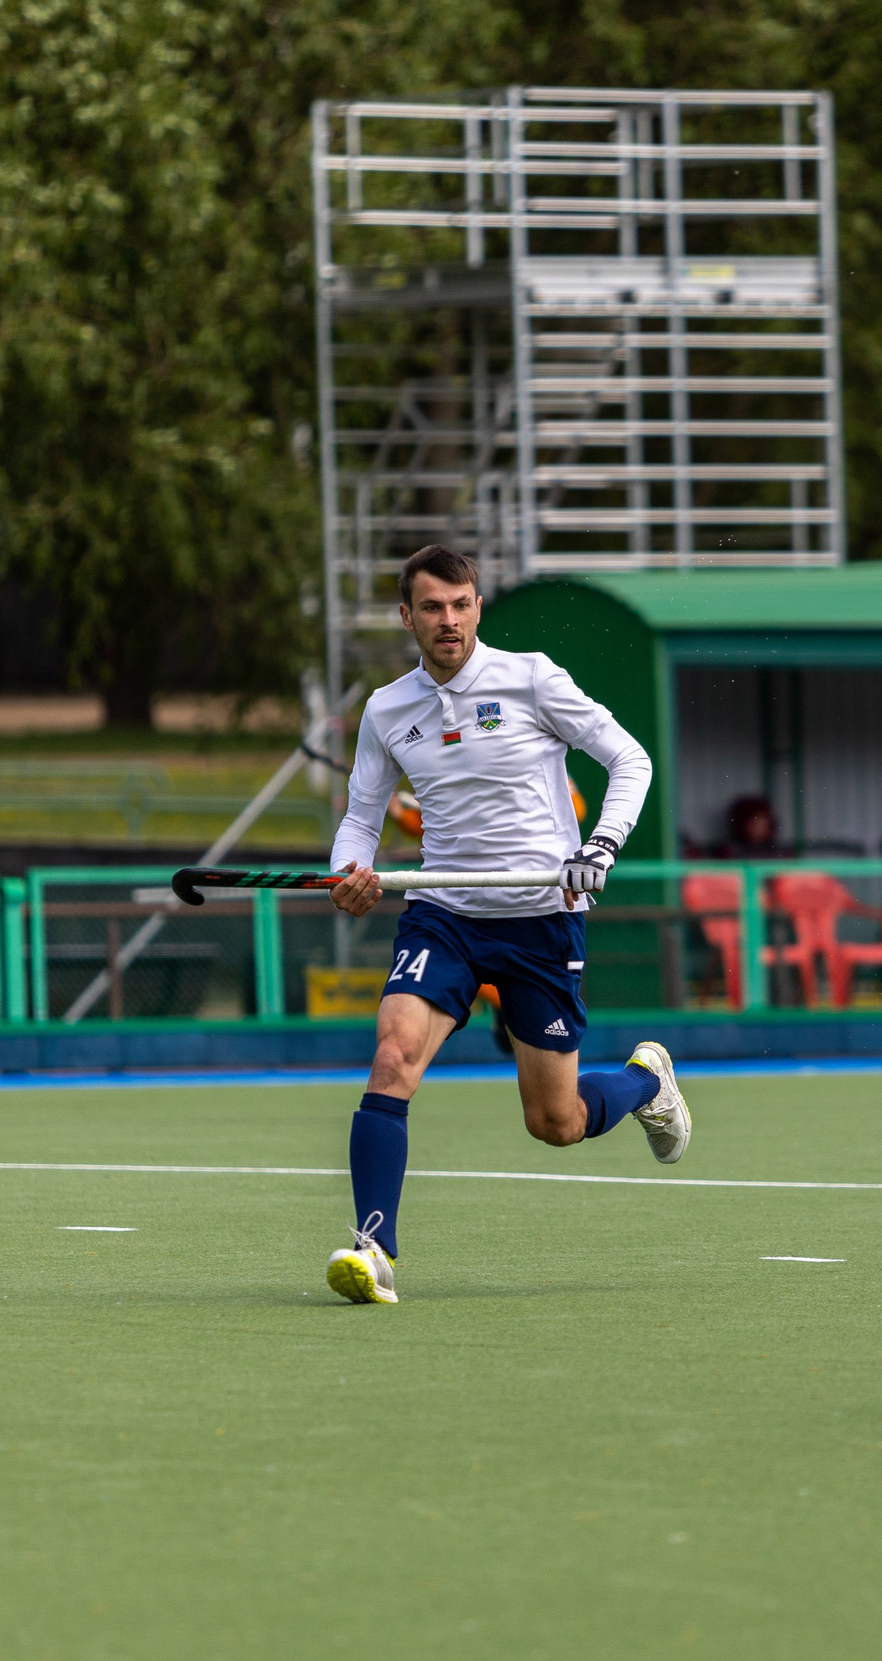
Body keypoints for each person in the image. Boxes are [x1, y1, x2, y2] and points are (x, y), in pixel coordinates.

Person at [321, 545, 686, 1305]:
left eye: (461, 605)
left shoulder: (532, 678)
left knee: (555, 1122)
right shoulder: (387, 710)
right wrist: (349, 871)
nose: (448, 621)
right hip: (444, 915)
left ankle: (646, 1081)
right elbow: (360, 818)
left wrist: (600, 846)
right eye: (432, 607)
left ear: (478, 607)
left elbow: (631, 760)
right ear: (407, 617)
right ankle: (374, 1250)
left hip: (541, 919)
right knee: (392, 1056)